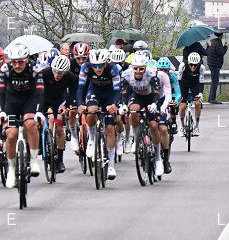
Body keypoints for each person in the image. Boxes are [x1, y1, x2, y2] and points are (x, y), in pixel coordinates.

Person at [0, 43, 45, 188]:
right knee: (11, 135)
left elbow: (40, 92)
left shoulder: (35, 68)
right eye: (14, 62)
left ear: (27, 59)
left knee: (30, 124)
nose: (17, 65)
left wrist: (39, 111)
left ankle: (34, 160)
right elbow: (0, 92)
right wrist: (1, 111)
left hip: (29, 101)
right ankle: (12, 169)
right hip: (11, 102)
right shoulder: (5, 69)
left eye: (20, 62)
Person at [122, 51, 170, 176]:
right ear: (132, 67)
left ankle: (158, 159)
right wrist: (123, 105)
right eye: (136, 69)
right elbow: (124, 93)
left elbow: (156, 93)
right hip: (137, 96)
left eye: (141, 69)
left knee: (154, 126)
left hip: (151, 98)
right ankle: (136, 139)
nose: (138, 71)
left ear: (145, 68)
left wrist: (154, 104)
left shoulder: (151, 74)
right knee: (133, 110)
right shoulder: (126, 74)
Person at [77, 48, 121, 180]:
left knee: (109, 128)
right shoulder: (85, 67)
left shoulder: (113, 69)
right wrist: (80, 105)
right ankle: (91, 139)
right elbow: (81, 88)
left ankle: (111, 165)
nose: (97, 69)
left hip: (110, 94)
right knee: (91, 112)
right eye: (95, 66)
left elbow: (118, 89)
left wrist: (115, 105)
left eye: (100, 65)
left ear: (105, 63)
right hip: (94, 92)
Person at [41, 55, 77, 174]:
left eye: (60, 73)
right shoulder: (45, 73)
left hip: (60, 101)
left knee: (60, 129)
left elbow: (72, 94)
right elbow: (37, 90)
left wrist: (66, 106)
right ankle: (42, 144)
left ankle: (60, 159)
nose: (56, 75)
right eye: (55, 71)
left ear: (66, 72)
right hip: (44, 99)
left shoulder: (71, 77)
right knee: (43, 120)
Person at [179, 51, 205, 135]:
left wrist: (200, 93)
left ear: (198, 64)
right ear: (188, 63)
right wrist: (180, 95)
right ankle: (182, 126)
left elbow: (201, 82)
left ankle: (196, 127)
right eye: (191, 65)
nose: (193, 67)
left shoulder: (201, 67)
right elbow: (179, 81)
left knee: (197, 103)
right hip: (184, 84)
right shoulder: (182, 66)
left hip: (195, 85)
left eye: (195, 65)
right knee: (183, 106)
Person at [207, 32, 227, 103]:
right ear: (220, 36)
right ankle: (212, 98)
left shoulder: (212, 41)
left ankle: (210, 97)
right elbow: (220, 53)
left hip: (211, 63)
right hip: (215, 64)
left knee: (213, 81)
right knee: (215, 82)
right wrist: (225, 47)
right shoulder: (218, 43)